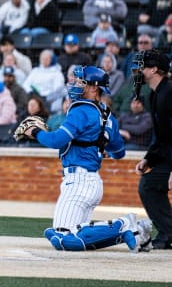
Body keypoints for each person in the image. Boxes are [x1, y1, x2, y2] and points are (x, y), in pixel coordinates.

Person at [21, 65, 151, 252]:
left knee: (63, 239)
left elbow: (56, 140)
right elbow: (119, 152)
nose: (75, 84)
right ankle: (130, 233)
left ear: (93, 87)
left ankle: (124, 224)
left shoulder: (80, 110)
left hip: (78, 182)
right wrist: (100, 148)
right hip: (92, 183)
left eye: (80, 81)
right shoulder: (108, 115)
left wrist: (34, 132)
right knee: (68, 237)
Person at [132, 50, 172, 250]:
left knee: (149, 185)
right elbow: (161, 136)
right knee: (149, 185)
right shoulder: (155, 95)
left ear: (154, 69)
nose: (140, 71)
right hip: (166, 153)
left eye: (144, 66)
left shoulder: (170, 92)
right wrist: (148, 159)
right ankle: (168, 233)